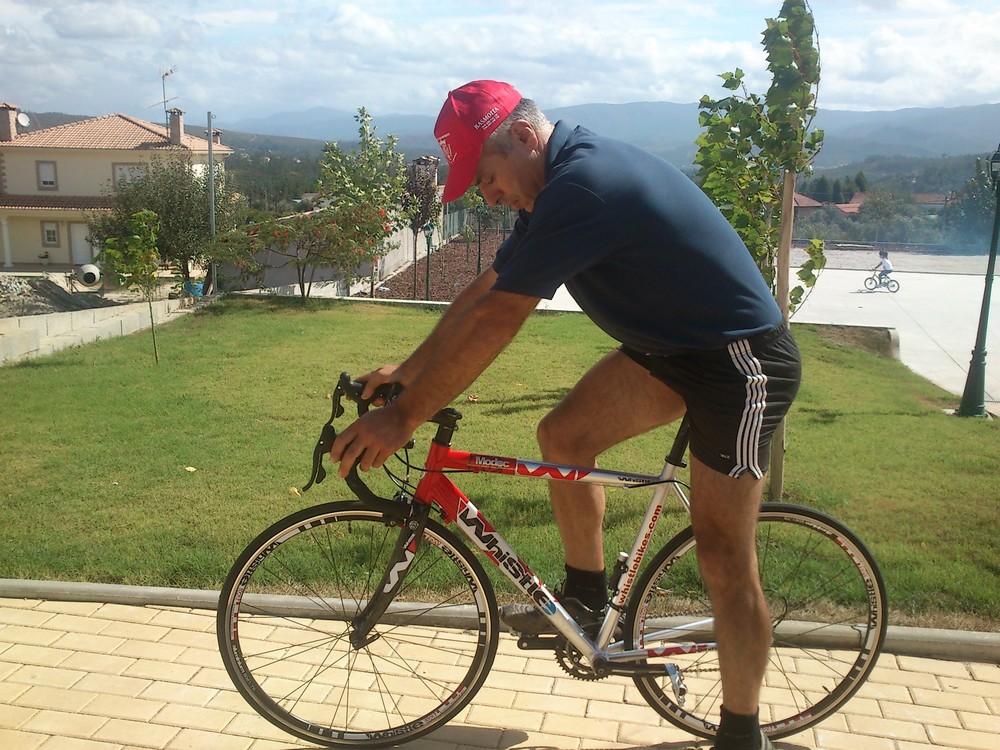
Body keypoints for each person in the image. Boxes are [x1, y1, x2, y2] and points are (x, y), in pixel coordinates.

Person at [329, 80, 801, 750]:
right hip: (671, 354)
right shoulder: (551, 187)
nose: (487, 196)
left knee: (723, 553)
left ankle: (742, 733)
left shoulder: (584, 185)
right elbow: (486, 289)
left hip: (740, 365)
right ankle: (585, 596)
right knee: (564, 435)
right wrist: (407, 371)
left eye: (486, 177)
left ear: (524, 137)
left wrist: (403, 419)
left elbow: (500, 319)